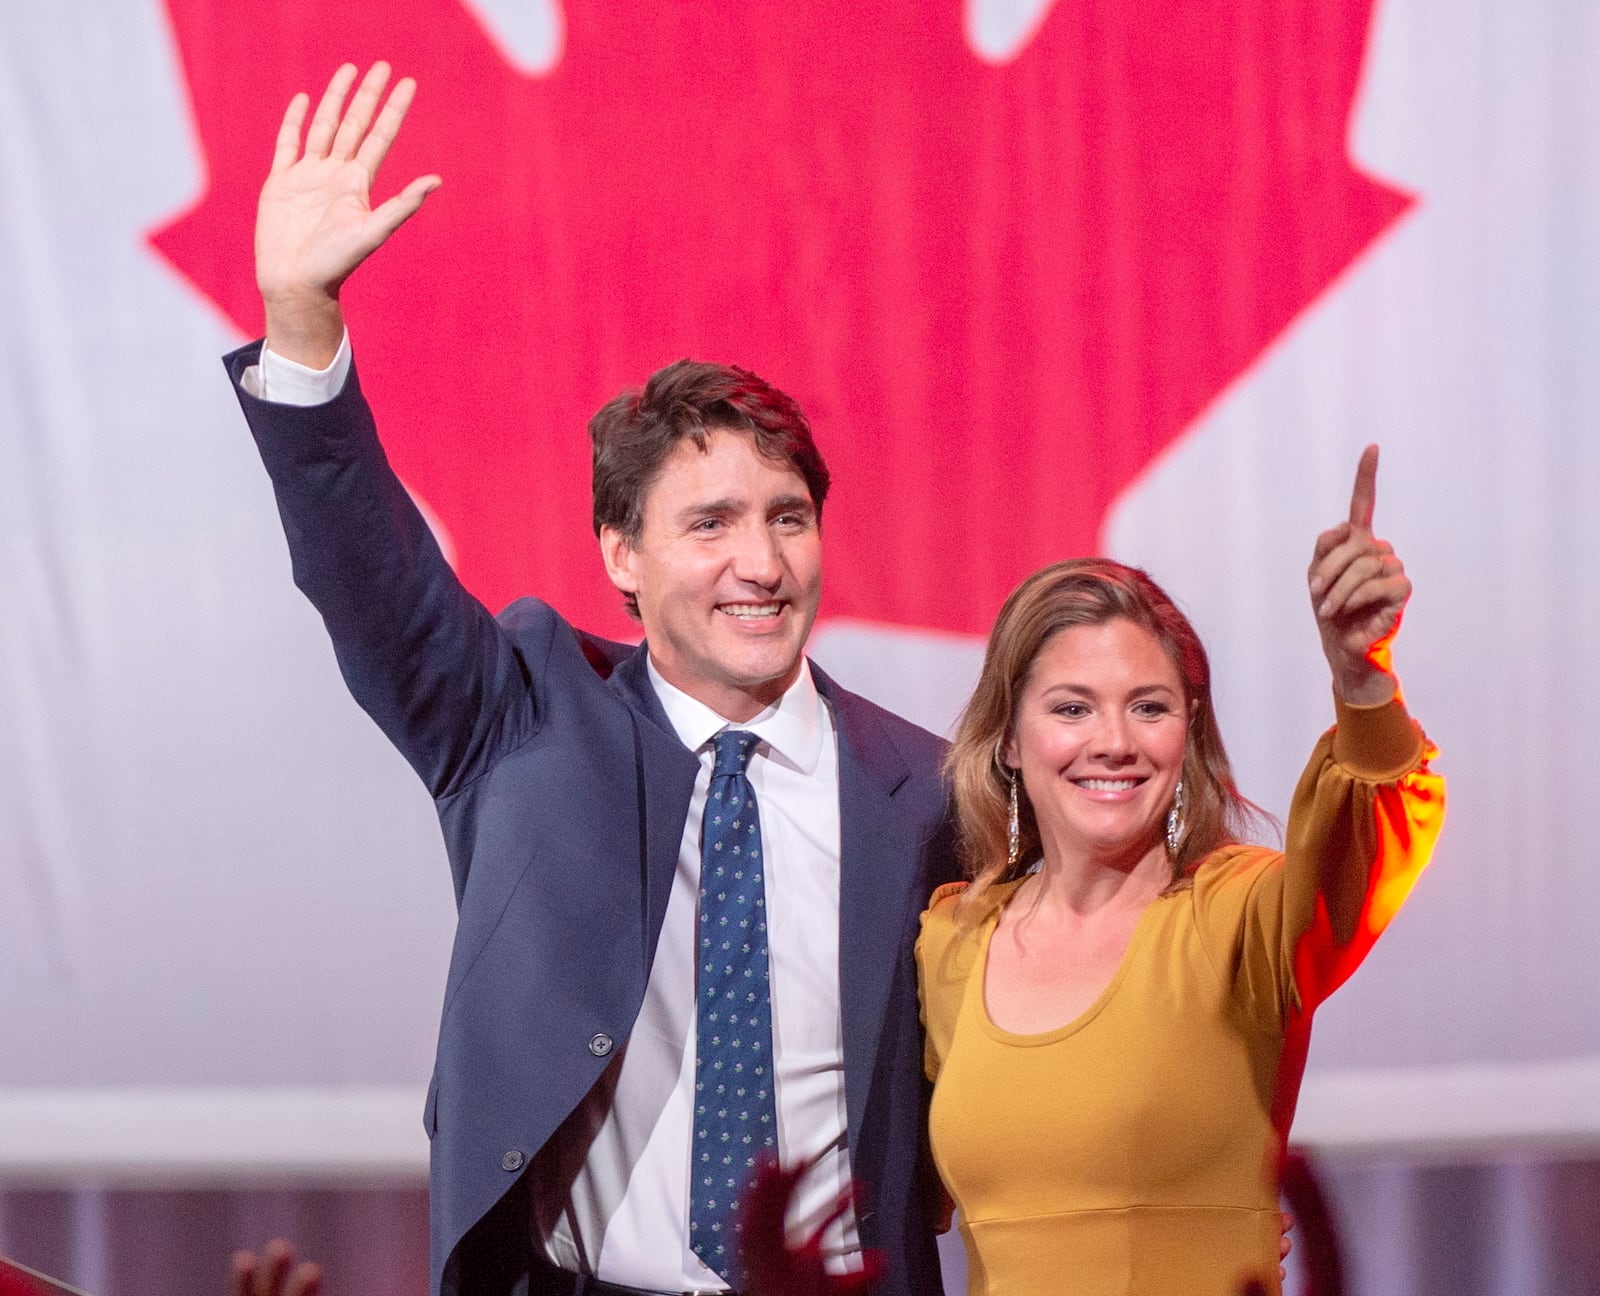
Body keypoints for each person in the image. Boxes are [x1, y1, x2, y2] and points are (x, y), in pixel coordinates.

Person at [227, 62, 955, 1296]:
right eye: (711, 523)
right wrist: (303, 326)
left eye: (788, 518)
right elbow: (369, 573)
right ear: (620, 552)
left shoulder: (927, 787)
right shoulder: (517, 716)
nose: (761, 563)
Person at [912, 449, 1444, 1295]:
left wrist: (1361, 676)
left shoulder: (1239, 918)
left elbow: (1366, 833)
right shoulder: (952, 938)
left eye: (1149, 706)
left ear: (1187, 733)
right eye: (1072, 708)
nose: (1114, 741)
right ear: (1009, 741)